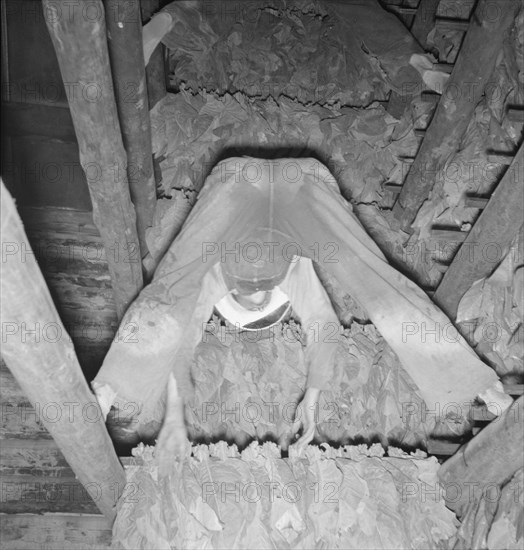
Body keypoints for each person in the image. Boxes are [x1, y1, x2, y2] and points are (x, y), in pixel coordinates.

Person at [93, 157, 513, 472]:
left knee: (173, 285)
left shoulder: (216, 276)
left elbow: (178, 324)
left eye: (250, 308)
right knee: (374, 280)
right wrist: (311, 400)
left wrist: (171, 415)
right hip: (300, 189)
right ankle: (479, 382)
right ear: (276, 300)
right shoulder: (291, 272)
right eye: (263, 308)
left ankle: (109, 388)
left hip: (240, 184)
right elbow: (323, 326)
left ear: (230, 304)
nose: (257, 300)